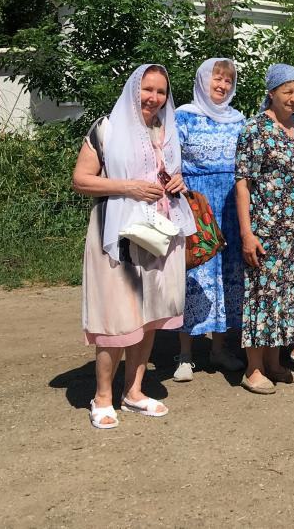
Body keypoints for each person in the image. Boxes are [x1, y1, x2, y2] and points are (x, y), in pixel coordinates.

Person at [73, 64, 193, 429]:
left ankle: (134, 391)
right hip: (118, 237)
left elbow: (167, 171)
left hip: (159, 233)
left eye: (161, 92)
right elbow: (80, 180)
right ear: (133, 89)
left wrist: (176, 181)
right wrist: (129, 187)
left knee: (150, 315)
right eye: (148, 89)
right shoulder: (106, 129)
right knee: (116, 318)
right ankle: (102, 397)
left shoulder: (165, 131)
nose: (154, 98)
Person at [234, 64, 294, 394]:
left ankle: (274, 363)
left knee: (284, 298)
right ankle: (253, 369)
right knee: (262, 297)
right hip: (266, 228)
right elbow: (243, 183)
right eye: (288, 92)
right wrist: (247, 233)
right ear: (272, 93)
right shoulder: (254, 129)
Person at [173, 58, 246, 381]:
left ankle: (219, 349)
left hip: (231, 202)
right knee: (195, 273)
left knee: (228, 274)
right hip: (197, 203)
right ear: (203, 81)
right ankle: (185, 355)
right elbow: (170, 159)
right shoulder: (184, 116)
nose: (222, 86)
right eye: (217, 80)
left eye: (228, 81)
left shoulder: (238, 119)